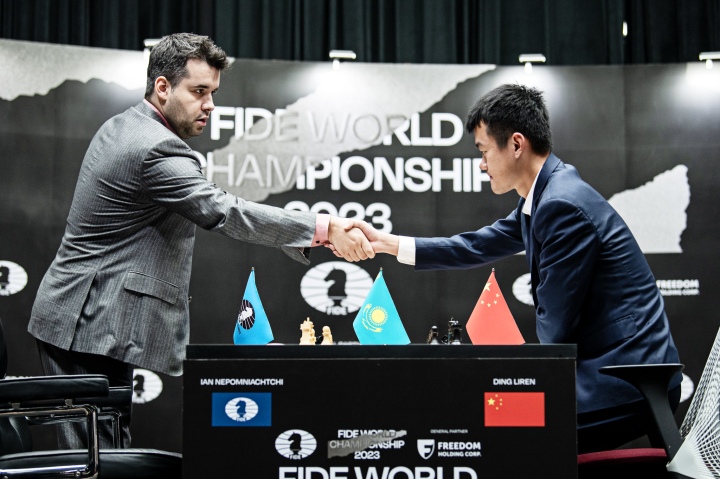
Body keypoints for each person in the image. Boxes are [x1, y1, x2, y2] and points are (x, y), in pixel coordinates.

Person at [28, 33, 373, 449]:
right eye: (199, 91)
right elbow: (224, 211)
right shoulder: (153, 147)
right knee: (96, 460)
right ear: (162, 87)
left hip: (85, 318)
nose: (210, 105)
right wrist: (324, 228)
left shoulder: (125, 125)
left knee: (103, 451)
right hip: (85, 324)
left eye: (212, 92)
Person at [358, 83, 681, 453]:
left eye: (483, 151)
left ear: (515, 144)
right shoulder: (546, 197)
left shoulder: (562, 206)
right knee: (483, 410)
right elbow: (475, 246)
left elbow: (555, 330)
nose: (481, 164)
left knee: (489, 418)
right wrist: (387, 243)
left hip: (626, 381)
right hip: (613, 372)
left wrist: (509, 375)